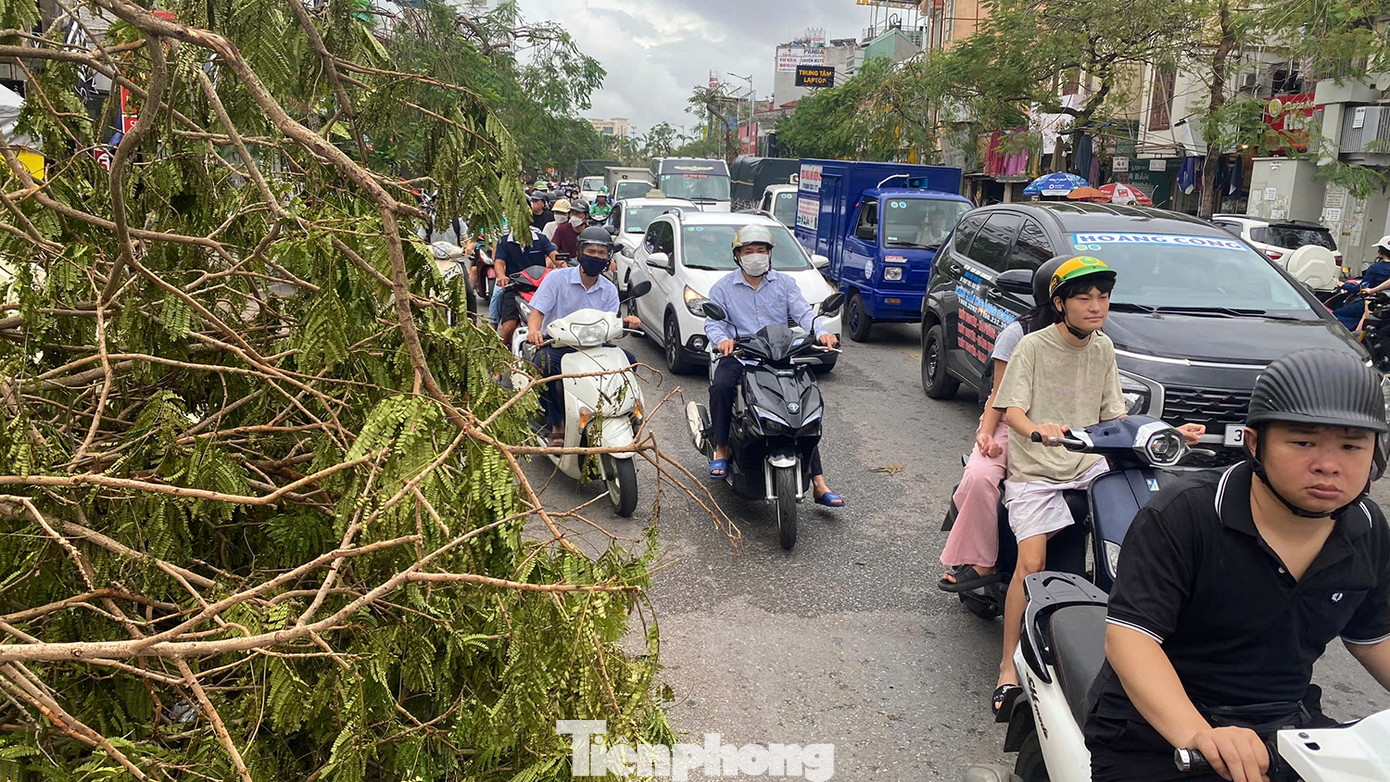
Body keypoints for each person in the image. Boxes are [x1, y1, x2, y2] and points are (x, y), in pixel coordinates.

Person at [1085, 349, 1390, 782]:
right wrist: (1199, 734)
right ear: (1254, 443)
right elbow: (1131, 639)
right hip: (1157, 734)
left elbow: (1375, 636)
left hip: (1285, 727)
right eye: (1303, 442)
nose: (1328, 465)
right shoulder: (1185, 513)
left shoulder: (1366, 526)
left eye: (1351, 446)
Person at [990, 256, 1126, 713]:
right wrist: (1036, 431)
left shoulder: (1104, 348)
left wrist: (1159, 431)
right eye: (1084, 298)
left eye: (1102, 297)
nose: (1096, 306)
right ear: (1061, 303)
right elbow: (1011, 410)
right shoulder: (1032, 346)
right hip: (1036, 470)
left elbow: (1114, 412)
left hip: (1087, 464)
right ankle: (1008, 666)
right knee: (1031, 564)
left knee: (1135, 542)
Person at [704, 225, 844, 508]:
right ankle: (722, 448)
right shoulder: (723, 288)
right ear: (738, 256)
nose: (755, 256)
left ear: (769, 254)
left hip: (778, 357)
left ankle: (819, 483)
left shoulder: (785, 284)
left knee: (802, 408)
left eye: (761, 250)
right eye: (749, 251)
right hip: (741, 356)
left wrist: (821, 332)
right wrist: (722, 340)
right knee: (722, 386)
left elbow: (804, 313)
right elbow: (713, 323)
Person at [527, 226, 642, 447]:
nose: (596, 257)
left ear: (608, 257)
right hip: (558, 345)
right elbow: (537, 313)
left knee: (629, 362)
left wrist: (626, 324)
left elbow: (610, 327)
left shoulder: (609, 289)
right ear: (580, 252)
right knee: (543, 365)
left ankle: (620, 411)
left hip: (595, 346)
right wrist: (534, 331)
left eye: (601, 253)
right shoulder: (557, 279)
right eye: (591, 251)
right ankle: (557, 424)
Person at [495, 218, 560, 347]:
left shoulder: (541, 239)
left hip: (541, 289)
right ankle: (498, 351)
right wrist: (502, 276)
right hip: (515, 288)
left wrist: (564, 267)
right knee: (507, 328)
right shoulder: (504, 241)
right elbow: (499, 262)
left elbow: (555, 256)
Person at [1332, 235, 1390, 331]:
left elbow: (1360, 289)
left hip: (1374, 303)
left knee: (1337, 314)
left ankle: (1347, 336)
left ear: (1381, 251)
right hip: (1386, 306)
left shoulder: (1375, 268)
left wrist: (1343, 285)